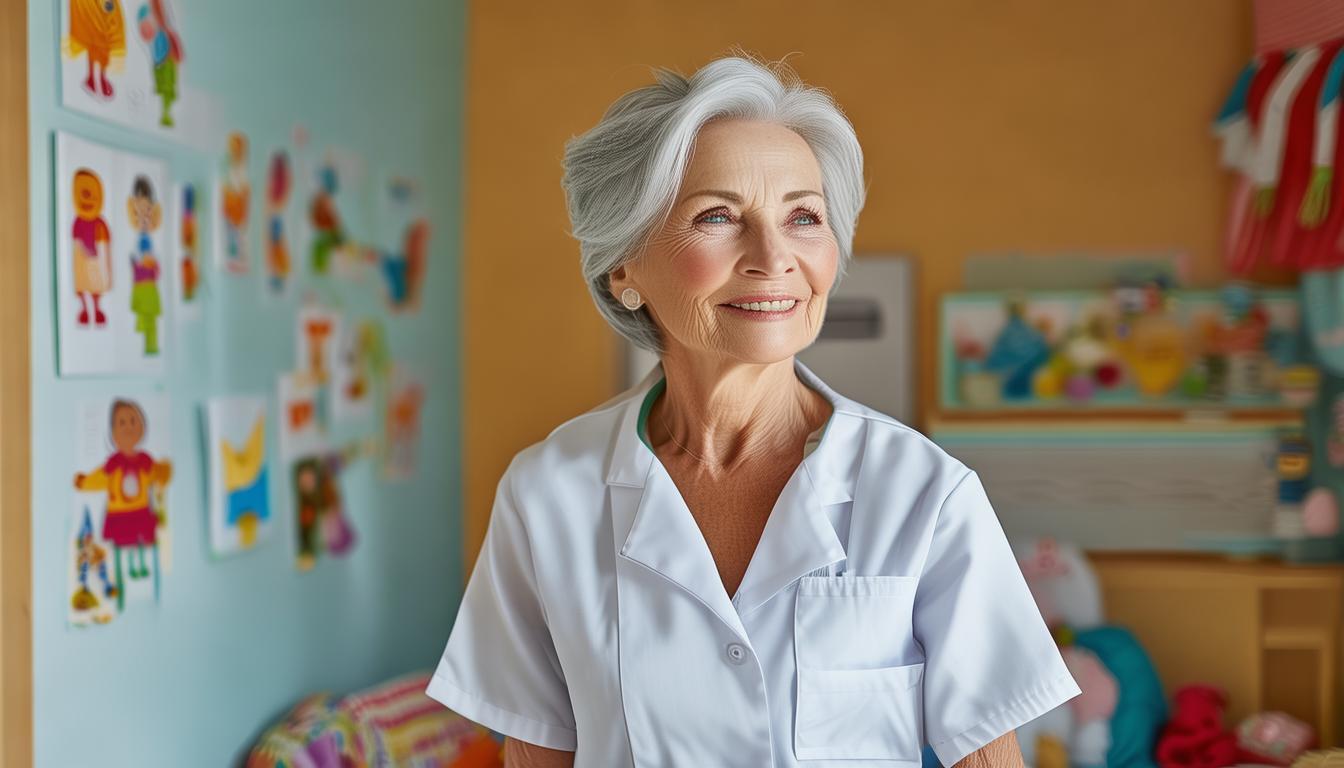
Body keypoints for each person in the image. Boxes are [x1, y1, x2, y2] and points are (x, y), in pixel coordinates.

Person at [427, 54, 1079, 767]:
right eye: (717, 216)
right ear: (624, 269)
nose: (774, 256)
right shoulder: (548, 492)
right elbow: (534, 752)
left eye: (804, 216)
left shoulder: (924, 492)